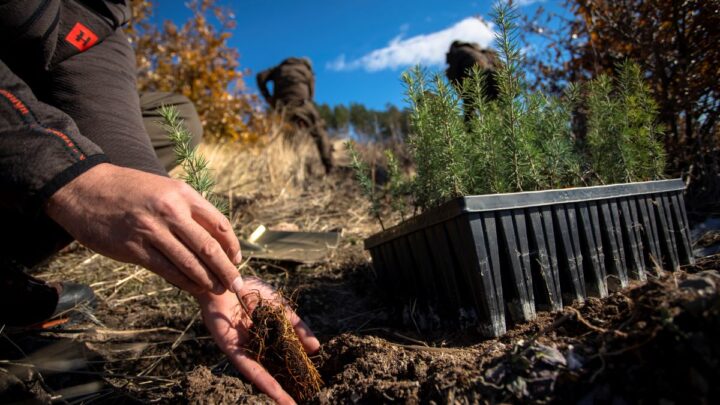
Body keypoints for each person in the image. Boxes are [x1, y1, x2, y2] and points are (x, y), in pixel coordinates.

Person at [0, 1, 317, 404]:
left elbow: (96, 93)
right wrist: (71, 176)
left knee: (174, 117)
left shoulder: (98, 12)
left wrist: (212, 279)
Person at [256, 57, 334, 173]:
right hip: (302, 103)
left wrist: (268, 97)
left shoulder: (278, 69)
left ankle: (288, 168)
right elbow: (311, 94)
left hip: (281, 107)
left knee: (286, 135)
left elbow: (260, 76)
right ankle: (328, 164)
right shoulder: (306, 71)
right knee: (319, 132)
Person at [445, 40, 500, 121]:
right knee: (497, 113)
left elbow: (454, 75)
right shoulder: (480, 52)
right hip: (495, 82)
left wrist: (462, 92)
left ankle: (470, 130)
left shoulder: (458, 52)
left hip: (475, 82)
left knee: (470, 112)